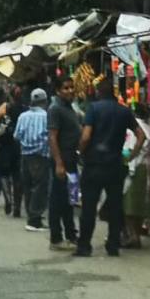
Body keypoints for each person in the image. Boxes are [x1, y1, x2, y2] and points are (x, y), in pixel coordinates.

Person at [75, 76, 144, 258]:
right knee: (115, 207)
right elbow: (141, 135)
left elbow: (86, 136)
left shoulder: (93, 109)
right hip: (115, 165)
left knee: (89, 207)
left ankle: (84, 245)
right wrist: (131, 156)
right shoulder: (124, 111)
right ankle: (113, 245)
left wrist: (80, 152)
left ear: (98, 92)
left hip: (94, 164)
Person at [47, 74, 80, 250]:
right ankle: (56, 237)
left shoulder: (69, 107)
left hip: (72, 159)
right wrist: (59, 163)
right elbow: (52, 137)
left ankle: (71, 234)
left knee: (70, 197)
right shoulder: (55, 109)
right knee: (58, 199)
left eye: (71, 87)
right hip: (62, 159)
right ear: (58, 91)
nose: (70, 90)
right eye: (66, 88)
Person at [15, 88, 51, 232]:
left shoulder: (23, 116)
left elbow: (17, 136)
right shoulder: (46, 116)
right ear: (44, 101)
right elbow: (50, 136)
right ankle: (34, 219)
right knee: (40, 187)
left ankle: (32, 216)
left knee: (28, 186)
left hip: (26, 155)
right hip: (41, 155)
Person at [123, 101, 150, 249]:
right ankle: (134, 234)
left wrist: (130, 157)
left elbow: (136, 142)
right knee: (138, 202)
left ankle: (133, 236)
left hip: (135, 166)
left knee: (129, 203)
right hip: (145, 165)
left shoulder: (137, 127)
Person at [0, 86, 24, 216]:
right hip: (19, 144)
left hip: (5, 144)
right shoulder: (24, 107)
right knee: (17, 175)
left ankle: (8, 199)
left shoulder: (6, 106)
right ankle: (17, 208)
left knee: (3, 173)